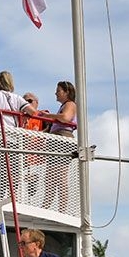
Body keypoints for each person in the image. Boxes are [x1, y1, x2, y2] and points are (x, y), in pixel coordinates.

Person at [0, 71, 38, 194]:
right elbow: (33, 112)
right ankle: (6, 198)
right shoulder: (17, 98)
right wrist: (25, 116)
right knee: (7, 174)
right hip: (14, 141)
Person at [42, 80, 78, 211]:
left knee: (60, 176)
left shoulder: (70, 104)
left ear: (66, 92)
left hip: (62, 139)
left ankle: (61, 209)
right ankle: (46, 206)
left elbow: (66, 117)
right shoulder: (65, 105)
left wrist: (48, 116)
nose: (56, 93)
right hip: (57, 139)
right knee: (50, 177)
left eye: (58, 91)